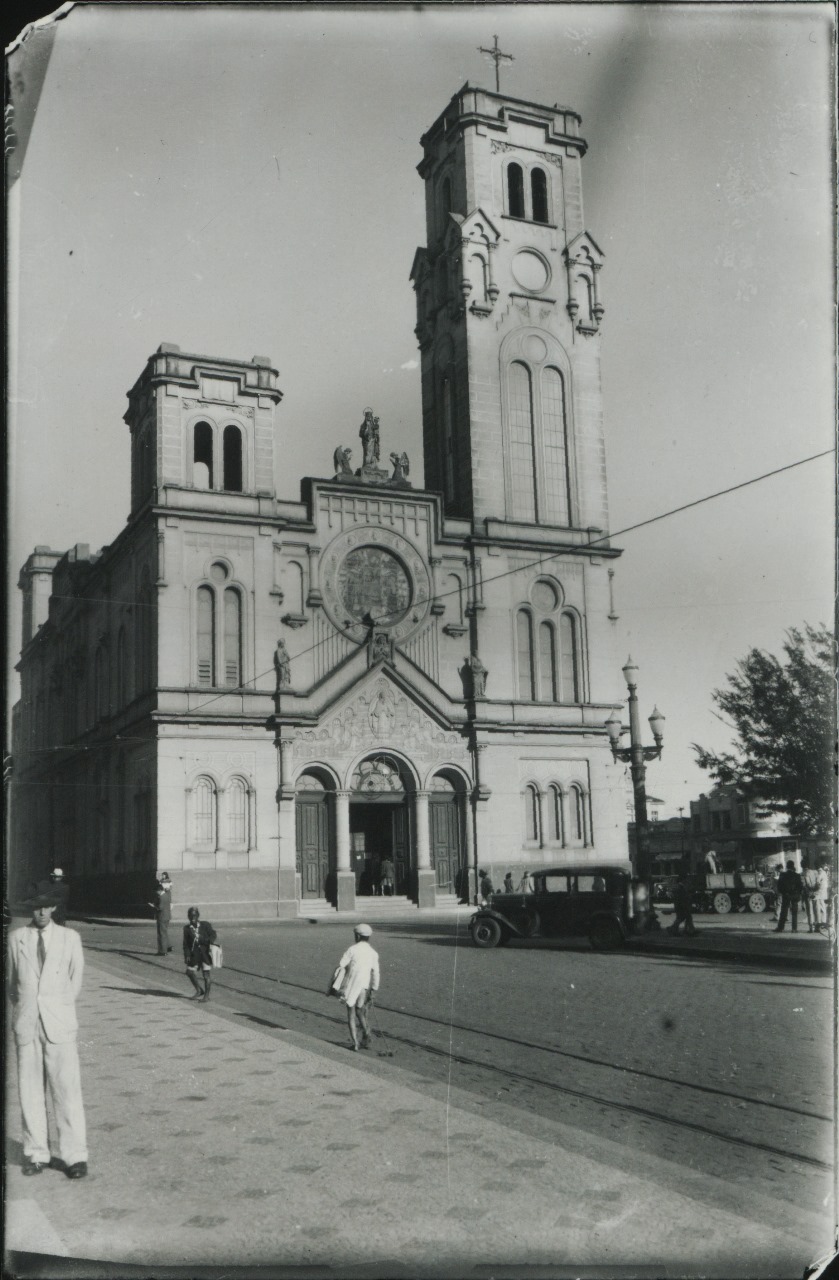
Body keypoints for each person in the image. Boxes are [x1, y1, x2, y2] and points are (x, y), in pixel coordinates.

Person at [8, 888, 89, 1179]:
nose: (41, 913)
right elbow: (12, 983)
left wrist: (57, 1006)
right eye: (36, 907)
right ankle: (36, 1153)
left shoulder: (70, 939)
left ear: (54, 908)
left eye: (46, 907)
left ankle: (74, 1156)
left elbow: (75, 981)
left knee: (67, 1090)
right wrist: (30, 1007)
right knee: (29, 1092)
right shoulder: (16, 939)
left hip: (59, 1024)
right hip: (27, 1023)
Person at [329, 923, 380, 1051]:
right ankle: (367, 1032)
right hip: (364, 985)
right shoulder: (373, 953)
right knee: (360, 1010)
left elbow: (341, 964)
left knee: (350, 1014)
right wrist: (374, 989)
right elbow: (376, 972)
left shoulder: (352, 949)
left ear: (357, 936)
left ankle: (356, 1043)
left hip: (351, 985)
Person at [183, 907, 217, 1001]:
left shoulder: (205, 925)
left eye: (194, 915)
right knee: (189, 972)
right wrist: (187, 955)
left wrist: (206, 940)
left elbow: (213, 935)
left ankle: (206, 995)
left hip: (205, 954)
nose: (192, 917)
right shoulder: (186, 928)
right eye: (190, 916)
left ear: (198, 915)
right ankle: (199, 990)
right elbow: (186, 944)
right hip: (194, 955)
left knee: (206, 974)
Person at [775, 860, 804, 933]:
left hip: (786, 895)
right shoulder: (797, 875)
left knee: (784, 911)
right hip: (794, 895)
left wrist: (783, 892)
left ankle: (780, 927)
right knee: (794, 913)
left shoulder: (783, 875)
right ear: (793, 866)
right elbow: (800, 886)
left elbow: (779, 885)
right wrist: (798, 894)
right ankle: (794, 928)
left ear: (787, 866)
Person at [149, 872, 173, 955]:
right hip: (167, 916)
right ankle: (168, 946)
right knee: (164, 932)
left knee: (161, 934)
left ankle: (162, 951)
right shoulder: (167, 895)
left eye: (157, 892)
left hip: (162, 917)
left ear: (159, 890)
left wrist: (153, 906)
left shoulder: (162, 897)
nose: (157, 893)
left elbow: (160, 908)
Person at [802, 862, 819, 933]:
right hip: (816, 894)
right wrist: (815, 891)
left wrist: (809, 891)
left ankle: (811, 927)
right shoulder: (815, 872)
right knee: (816, 911)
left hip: (808, 894)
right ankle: (817, 927)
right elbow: (818, 882)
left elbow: (806, 884)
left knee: (810, 911)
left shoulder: (805, 873)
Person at [814, 861, 831, 931]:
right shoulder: (824, 872)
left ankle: (819, 924)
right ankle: (824, 922)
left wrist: (814, 890)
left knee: (818, 909)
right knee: (823, 908)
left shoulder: (819, 873)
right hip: (824, 893)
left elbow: (817, 883)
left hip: (819, 894)